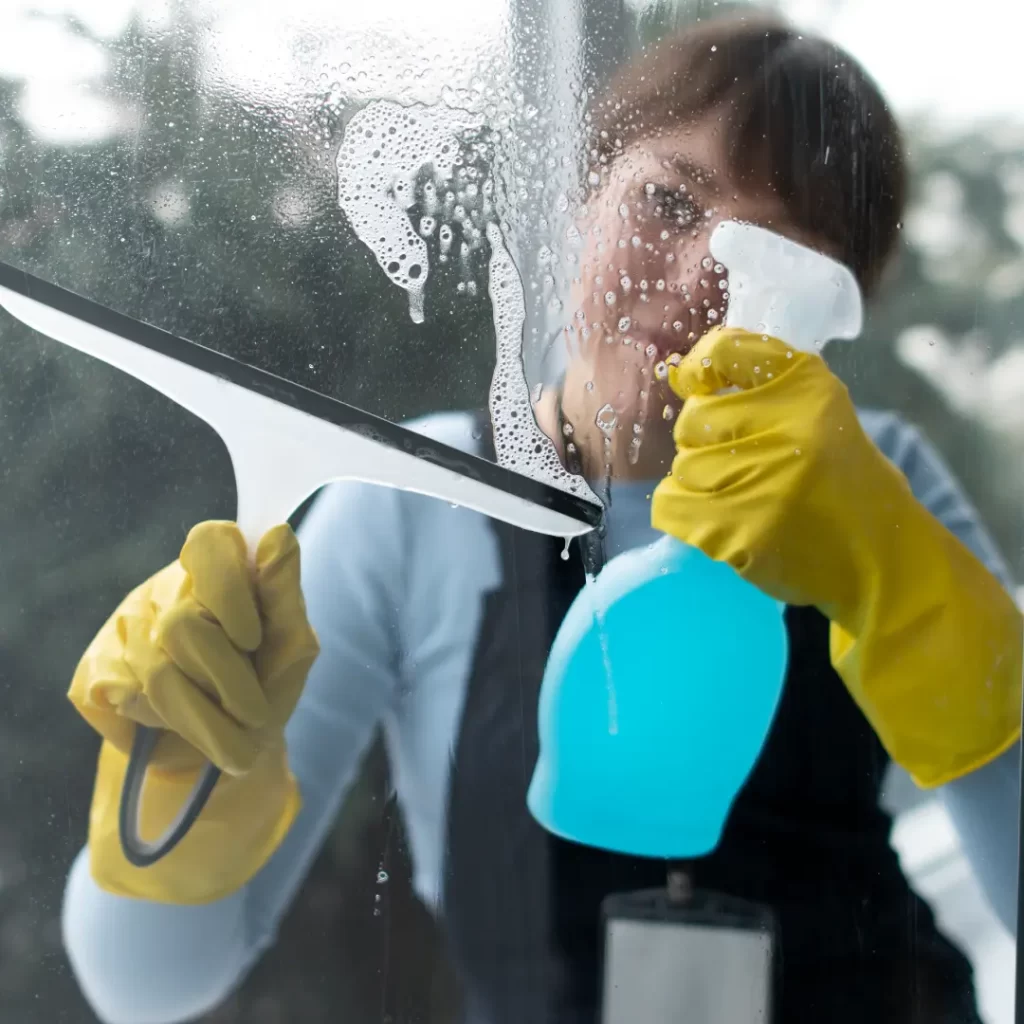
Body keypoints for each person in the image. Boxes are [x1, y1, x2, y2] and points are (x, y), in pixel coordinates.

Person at [60, 12, 1021, 1024]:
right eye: (667, 201)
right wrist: (174, 771)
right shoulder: (411, 500)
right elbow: (151, 986)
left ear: (843, 318)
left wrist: (917, 595)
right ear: (577, 200)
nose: (703, 279)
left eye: (778, 258)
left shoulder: (888, 488)